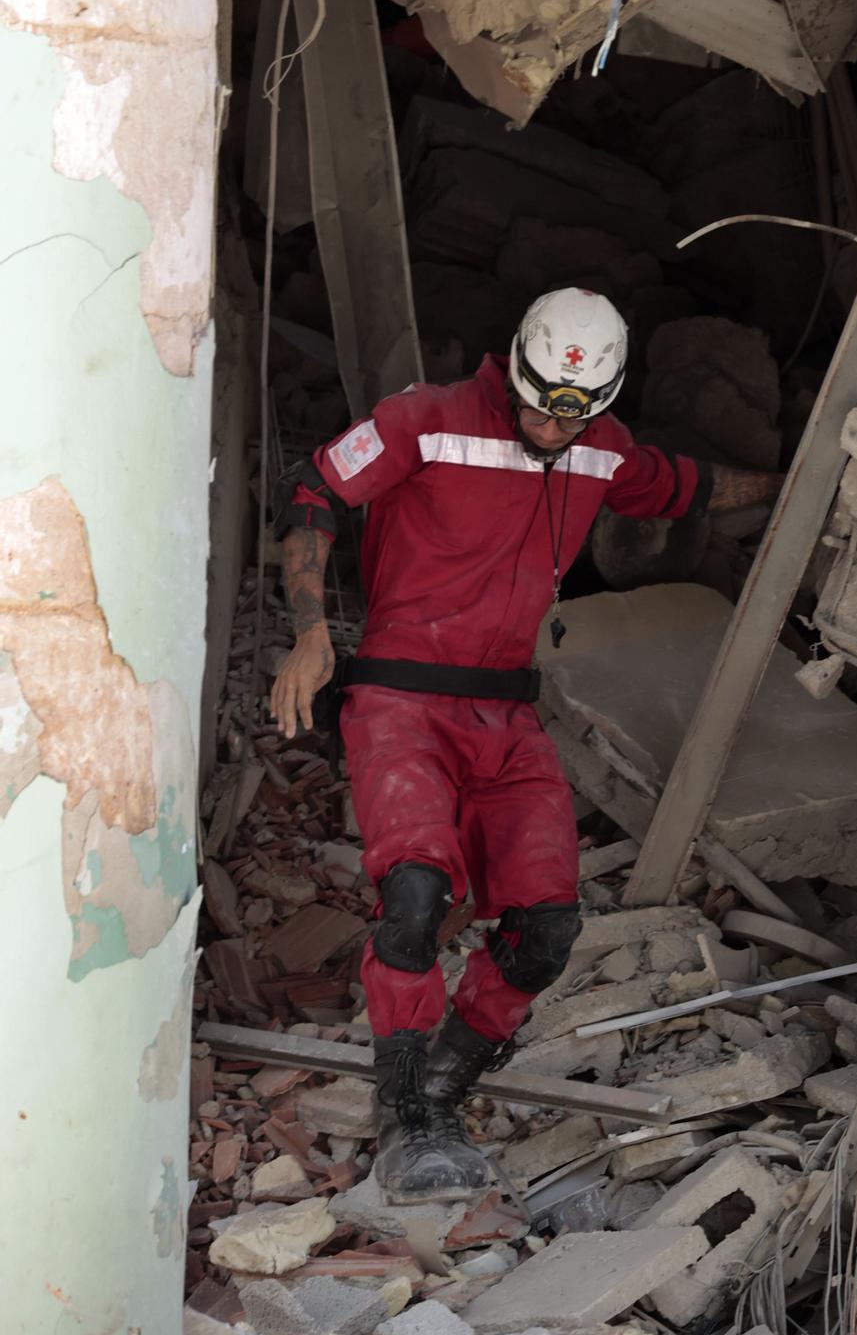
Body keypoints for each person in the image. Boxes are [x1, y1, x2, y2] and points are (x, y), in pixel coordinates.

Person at [269, 287, 781, 1202]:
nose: (555, 427)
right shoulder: (423, 420)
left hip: (505, 711)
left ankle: (441, 1085)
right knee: (416, 896)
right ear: (516, 365)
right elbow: (312, 488)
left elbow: (689, 485)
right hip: (398, 696)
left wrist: (813, 482)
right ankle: (402, 1115)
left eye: (578, 413)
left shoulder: (600, 448)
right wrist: (311, 628)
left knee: (545, 928)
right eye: (544, 403)